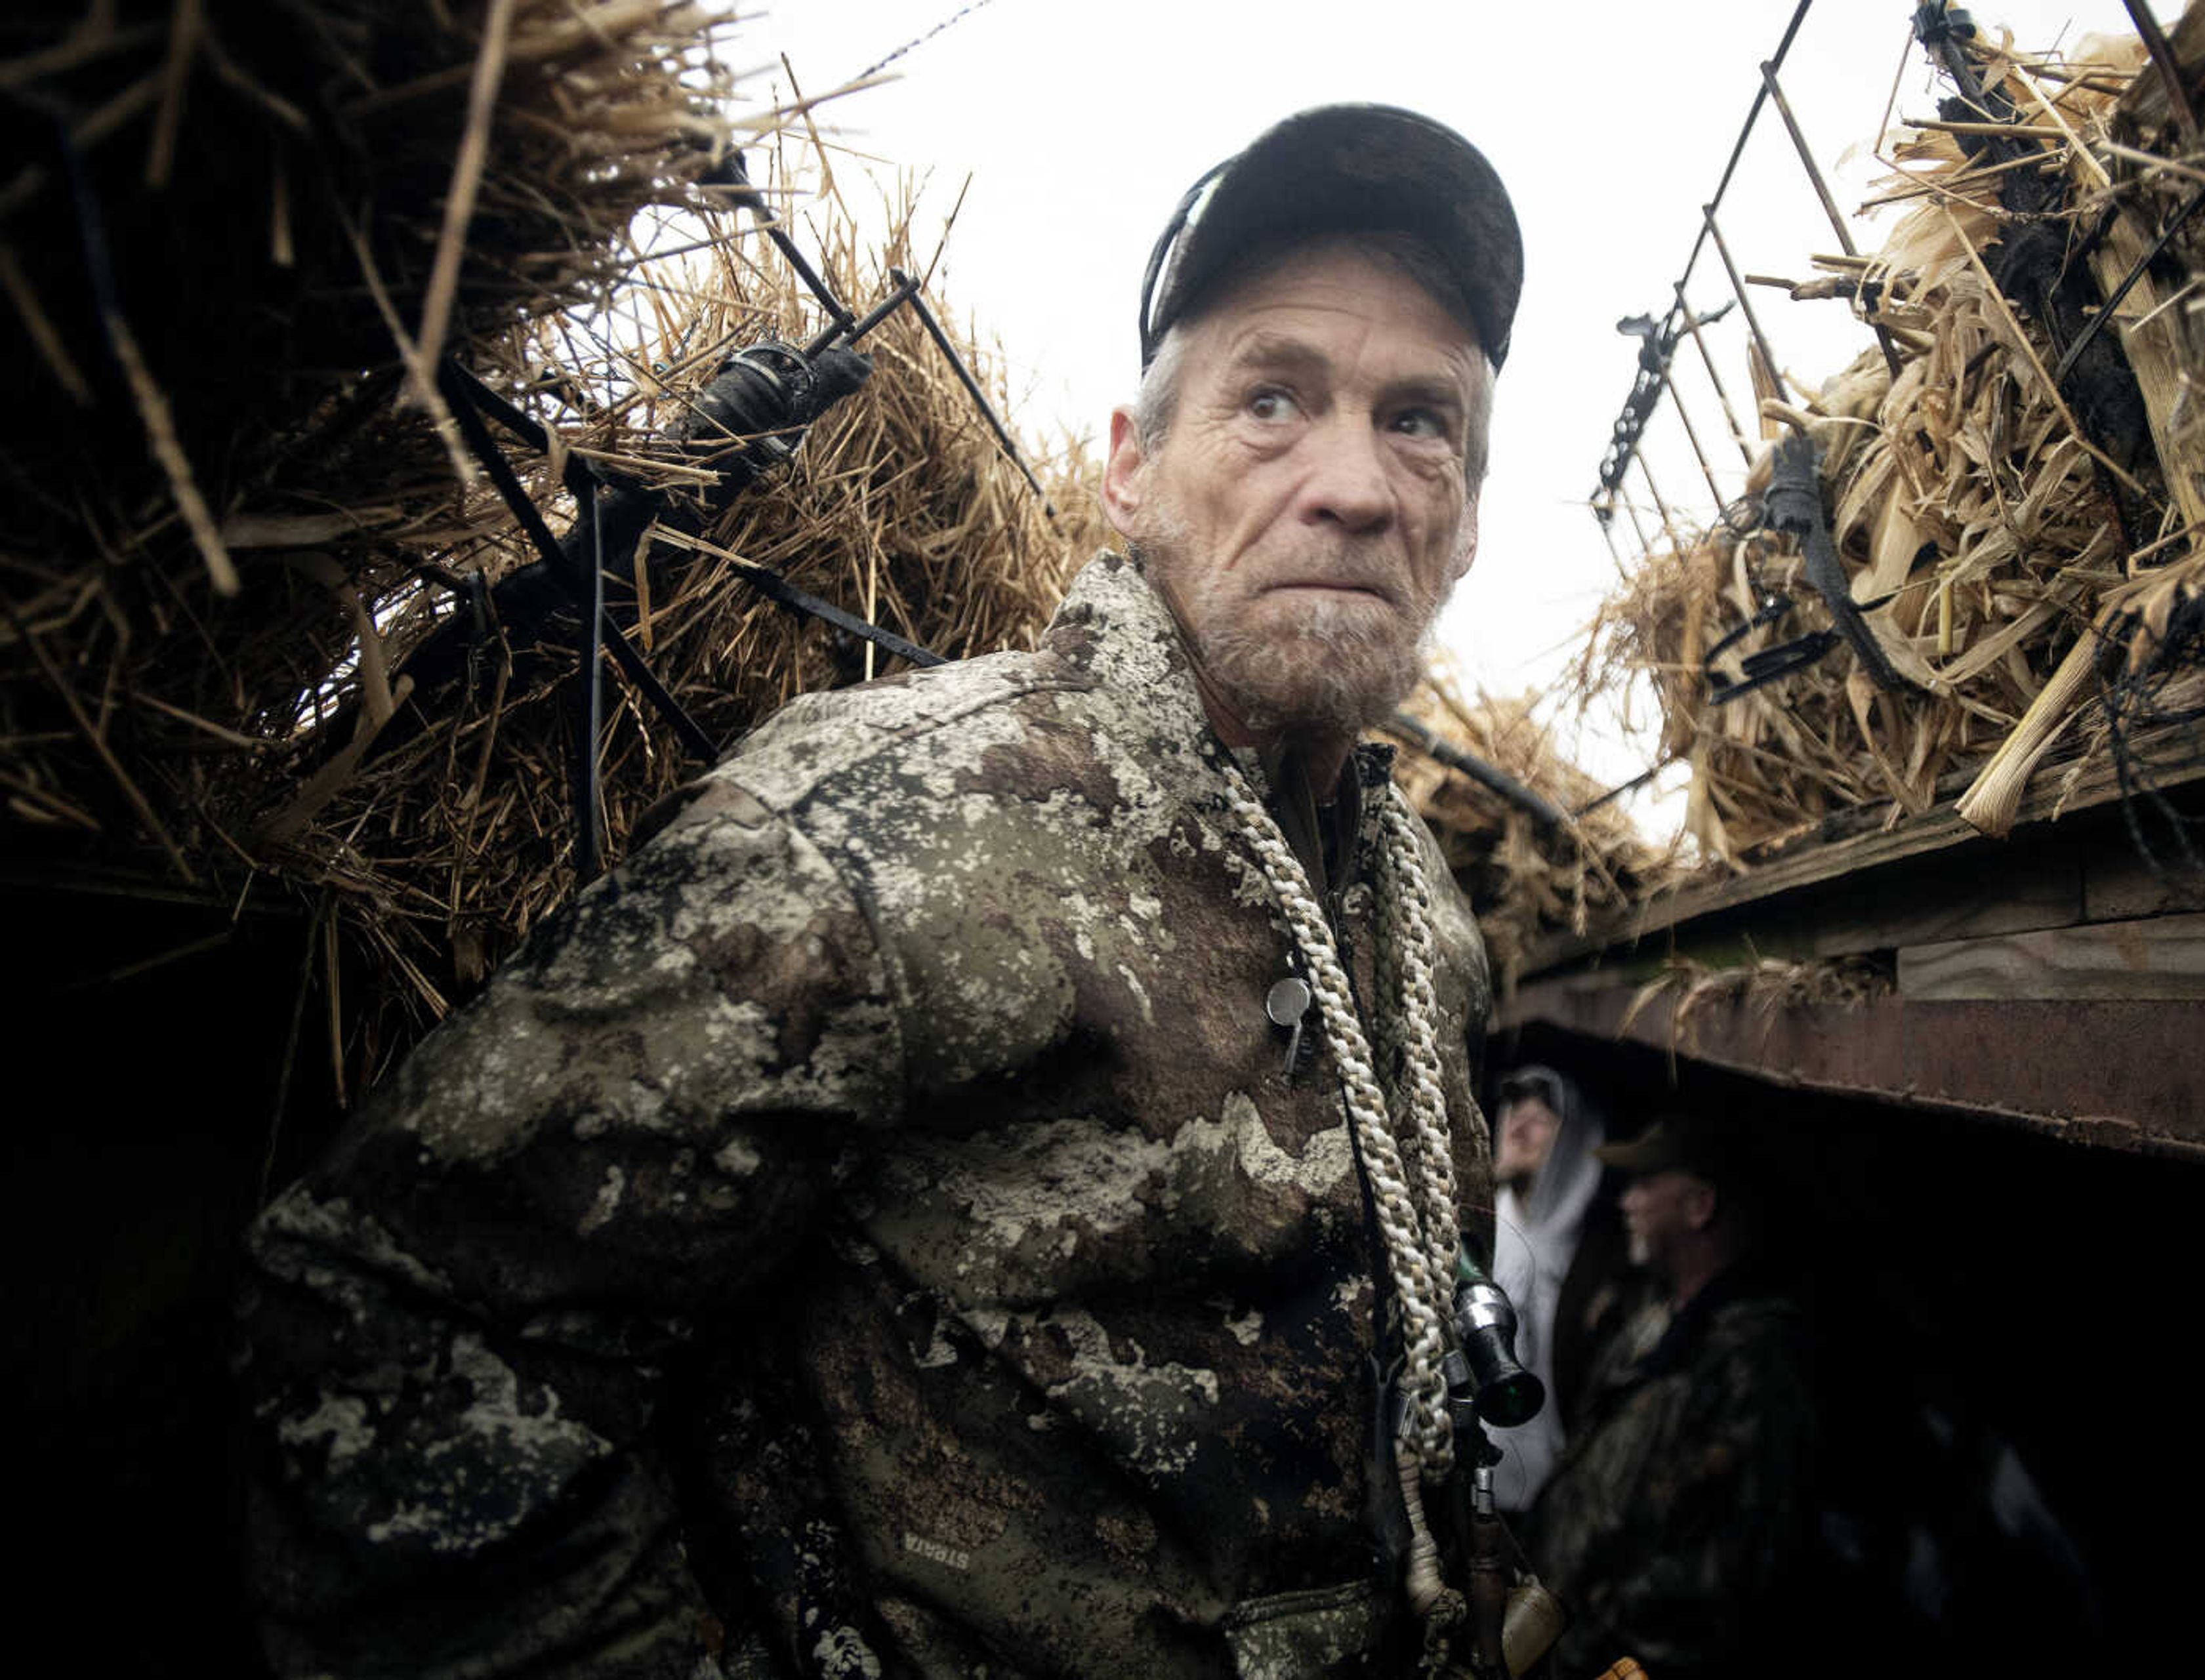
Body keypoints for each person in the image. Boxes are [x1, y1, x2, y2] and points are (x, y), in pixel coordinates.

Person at [236, 105, 1524, 1679]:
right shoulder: (875, 829)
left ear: (1463, 518)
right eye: (1271, 398)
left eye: (1421, 422)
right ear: (1128, 471)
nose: (1356, 485)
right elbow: (375, 1323)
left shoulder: (1425, 923)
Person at [1532, 1120, 1820, 1677]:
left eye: (1644, 1183)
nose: (1627, 1201)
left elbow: (1731, 1571)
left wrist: (1594, 1644)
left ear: (1699, 1206)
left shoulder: (1756, 1360)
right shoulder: (1654, 1317)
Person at [1485, 1065, 1628, 1518]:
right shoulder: (1475, 1228)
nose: (1518, 1125)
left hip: (1557, 1500)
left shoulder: (1605, 1259)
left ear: (1574, 1143)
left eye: (1542, 1119)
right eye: (1514, 1110)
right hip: (1474, 1483)